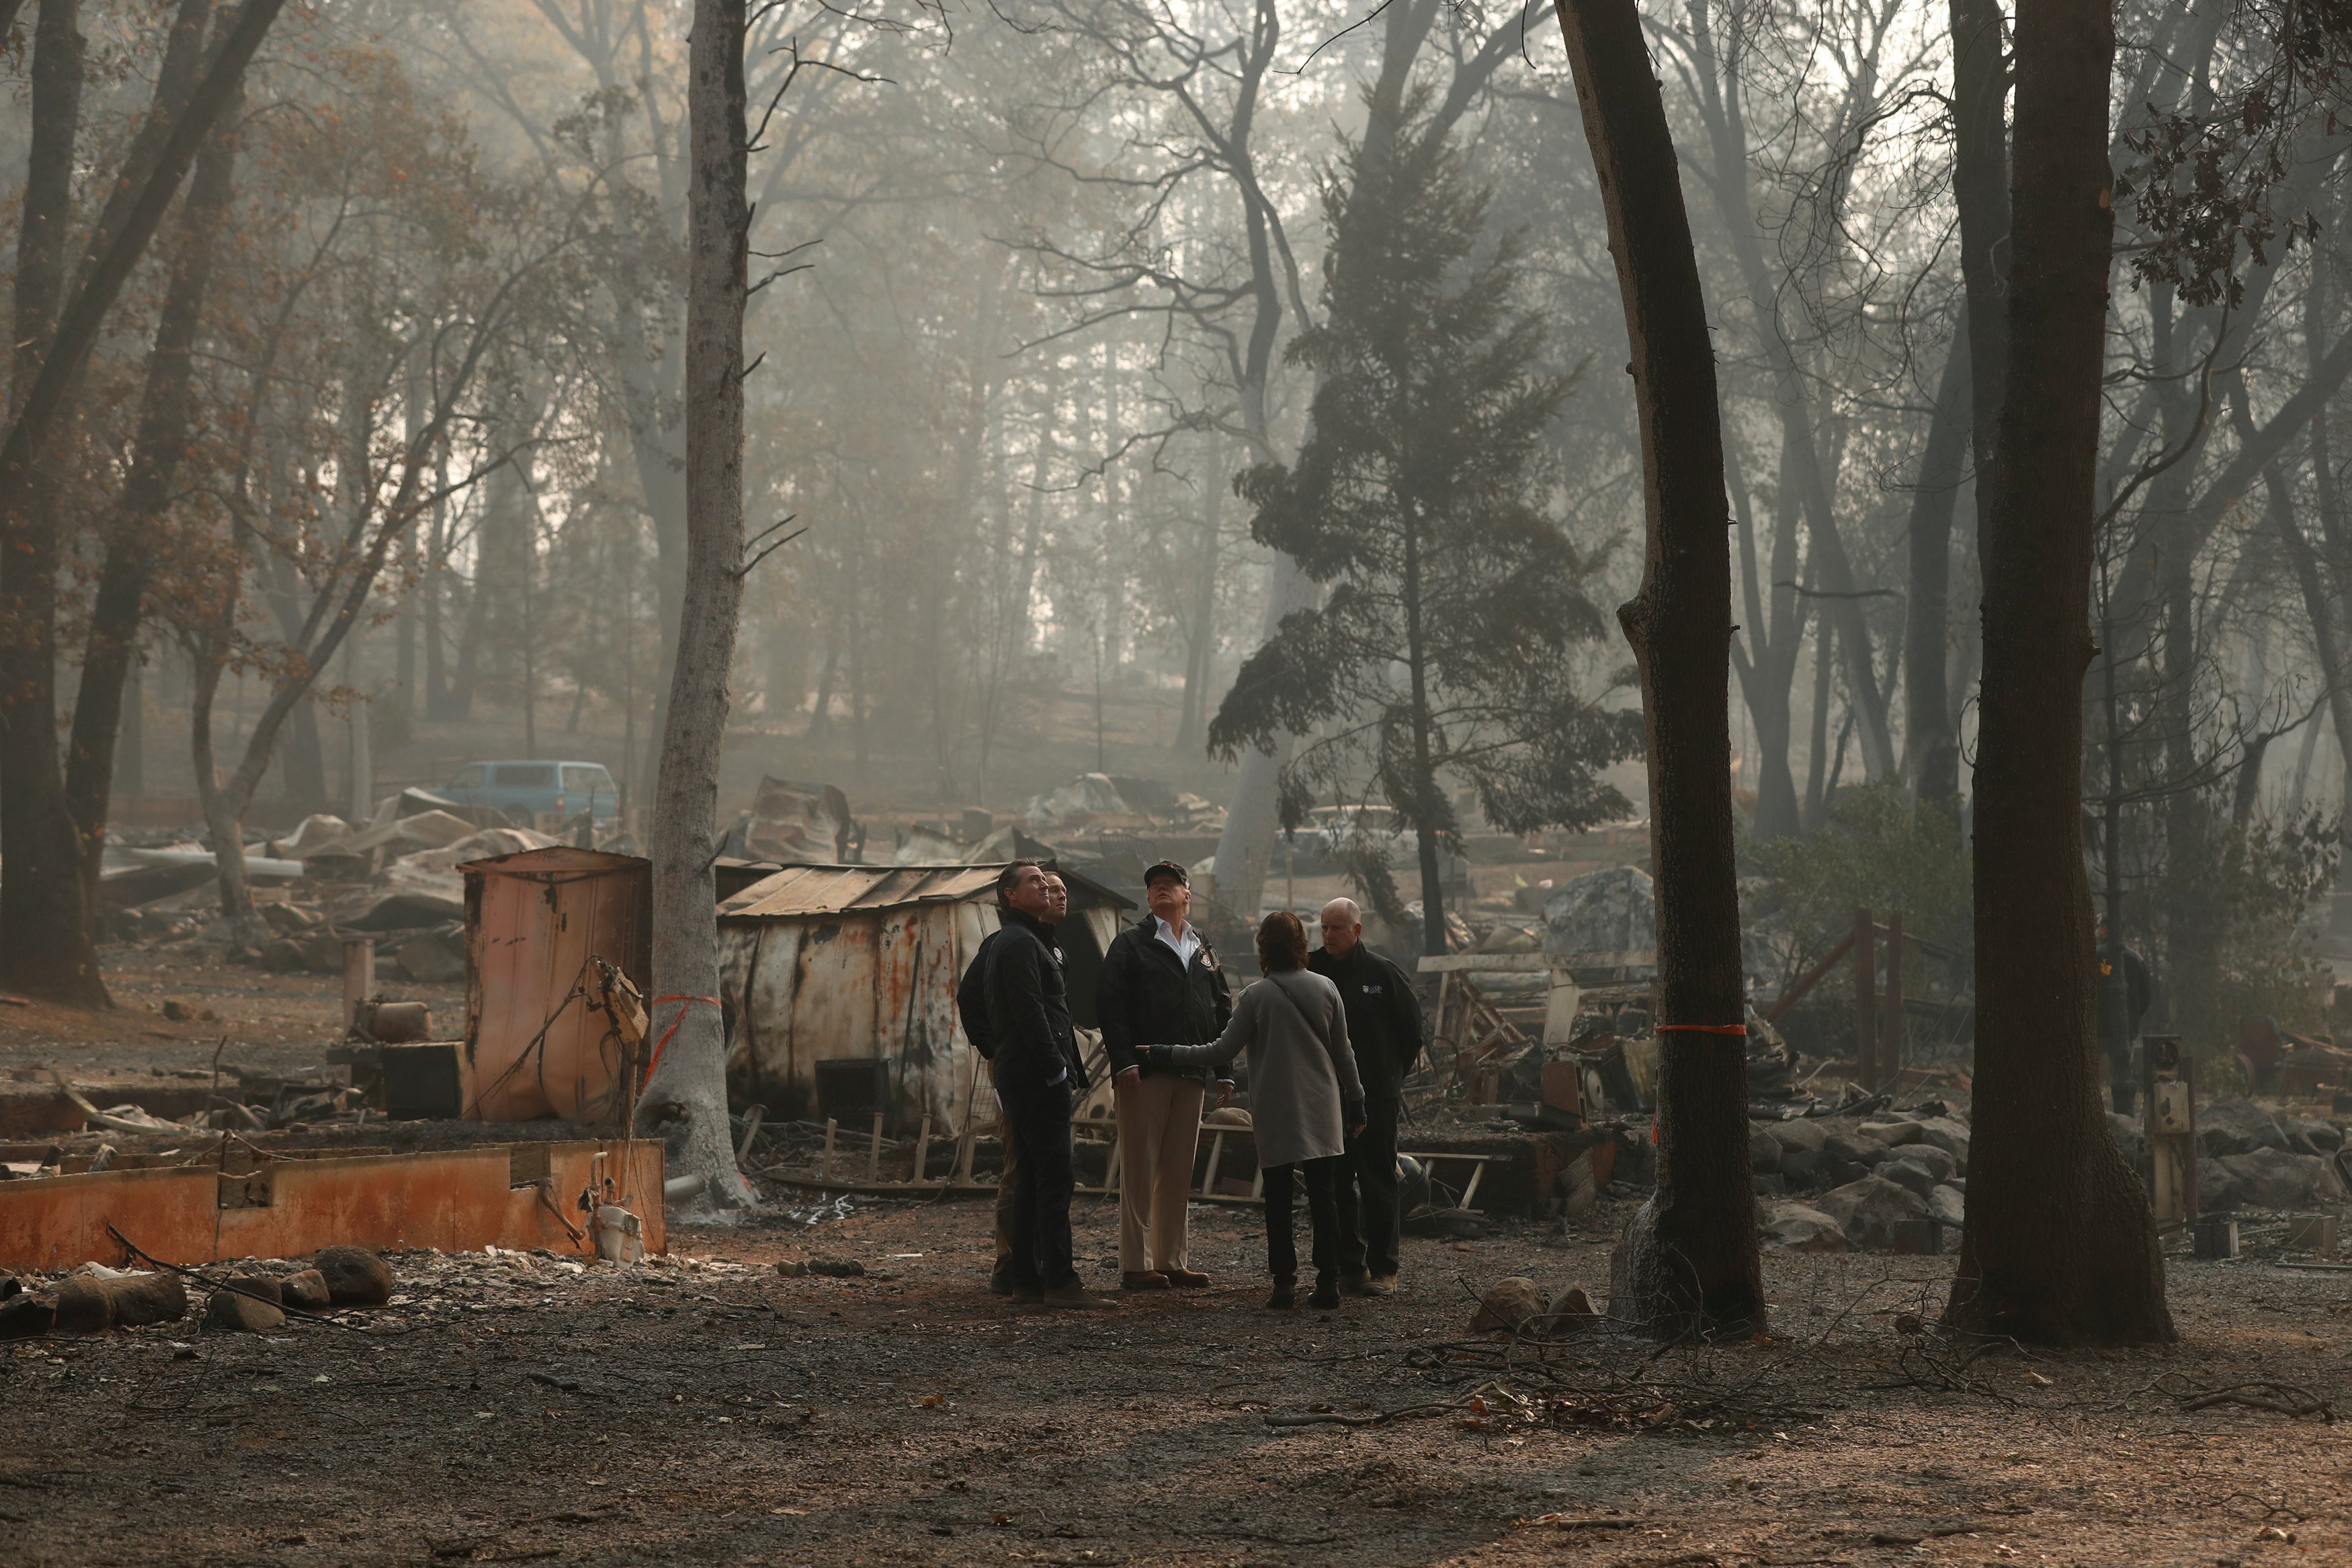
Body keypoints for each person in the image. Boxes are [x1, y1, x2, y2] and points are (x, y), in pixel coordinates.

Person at [1148, 911, 1366, 1311]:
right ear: (1302, 944)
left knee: (1278, 1199)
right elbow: (1344, 1054)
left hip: (1277, 1111)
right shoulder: (1326, 988)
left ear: (1263, 947)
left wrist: (1167, 1052)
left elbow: (1220, 1052)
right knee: (1325, 1197)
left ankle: (1284, 1284)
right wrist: (1357, 1101)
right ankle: (1329, 1282)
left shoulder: (1255, 997)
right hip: (1323, 1108)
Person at [983, 861, 1118, 1309]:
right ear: (1010, 896)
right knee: (1055, 1177)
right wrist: (1055, 1070)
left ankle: (1026, 1280)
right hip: (1036, 1077)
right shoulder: (1018, 943)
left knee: (1030, 1177)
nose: (1045, 886)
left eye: (1046, 880)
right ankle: (1060, 1280)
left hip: (1026, 1074)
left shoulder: (1034, 943)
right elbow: (1030, 1014)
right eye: (1033, 882)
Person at [1095, 860, 1234, 1291]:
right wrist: (1124, 1063)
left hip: (1192, 1069)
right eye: (1155, 885)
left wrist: (1223, 1069)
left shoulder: (1203, 947)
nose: (1161, 889)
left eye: (1170, 884)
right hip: (1145, 1070)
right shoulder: (1131, 945)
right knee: (1140, 1167)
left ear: (1187, 894)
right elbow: (1110, 1006)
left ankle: (1172, 1260)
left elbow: (1222, 1009)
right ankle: (1136, 1265)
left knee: (1178, 1169)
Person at [1308, 897, 1424, 1297]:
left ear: (1357, 931)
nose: (1329, 935)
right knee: (1336, 1184)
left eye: (1337, 928)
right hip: (1326, 1096)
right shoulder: (1312, 970)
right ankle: (1350, 1265)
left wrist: (1389, 1078)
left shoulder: (1381, 973)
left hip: (1375, 1097)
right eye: (1324, 927)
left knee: (1378, 1182)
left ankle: (1384, 1269)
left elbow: (1412, 1033)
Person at [2095, 917, 2154, 1115]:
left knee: (2086, 1070)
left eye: (2098, 926)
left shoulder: (2092, 955)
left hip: (2097, 1028)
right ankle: (2126, 1115)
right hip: (2126, 1028)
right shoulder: (2136, 959)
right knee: (2122, 1072)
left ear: (2104, 929)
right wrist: (2133, 1019)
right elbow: (2146, 997)